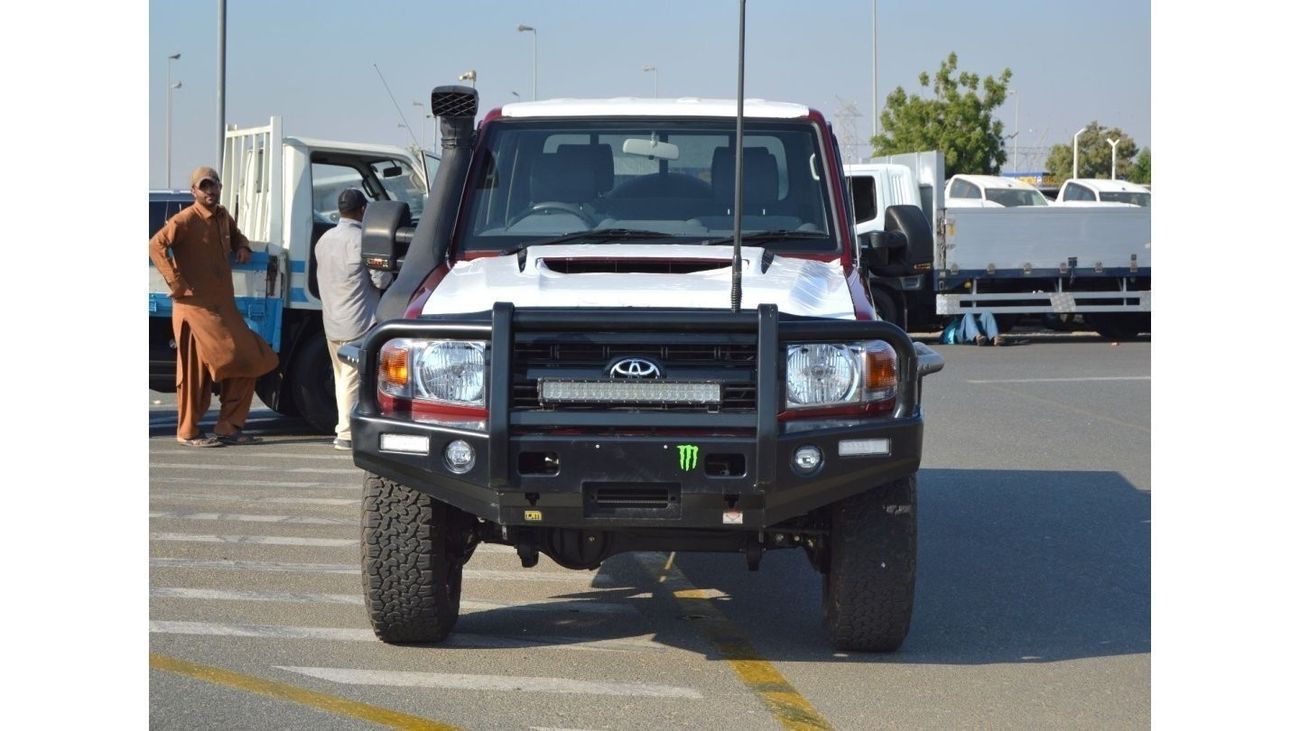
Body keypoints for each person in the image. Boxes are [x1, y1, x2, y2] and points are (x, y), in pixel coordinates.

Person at [149, 166, 280, 447]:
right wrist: (176, 281)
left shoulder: (222, 217)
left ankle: (228, 426)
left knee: (251, 360)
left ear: (220, 187)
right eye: (204, 186)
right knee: (195, 373)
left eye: (213, 185)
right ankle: (188, 432)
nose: (210, 190)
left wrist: (242, 246)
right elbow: (155, 245)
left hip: (222, 308)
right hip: (193, 309)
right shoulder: (185, 219)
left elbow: (236, 235)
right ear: (194, 191)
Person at [315, 188, 392, 449]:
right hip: (359, 319)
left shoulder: (324, 239)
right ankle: (345, 434)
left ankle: (345, 427)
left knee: (340, 377)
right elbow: (380, 278)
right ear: (363, 210)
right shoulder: (362, 240)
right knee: (350, 378)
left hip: (332, 319)